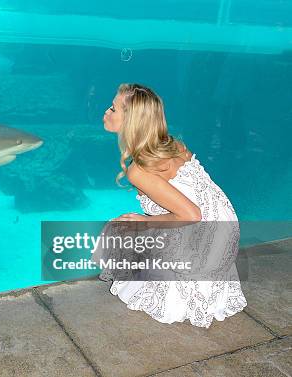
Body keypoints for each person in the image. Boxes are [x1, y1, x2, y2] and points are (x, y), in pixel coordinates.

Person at [95, 83, 247, 328]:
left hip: (203, 245)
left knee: (119, 229)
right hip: (225, 233)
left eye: (113, 109)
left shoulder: (139, 170)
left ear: (131, 121)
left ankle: (169, 281)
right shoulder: (172, 144)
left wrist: (144, 222)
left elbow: (192, 214)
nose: (106, 111)